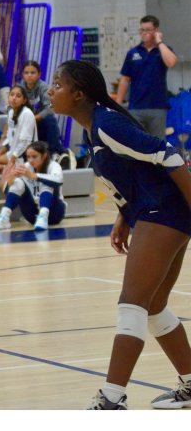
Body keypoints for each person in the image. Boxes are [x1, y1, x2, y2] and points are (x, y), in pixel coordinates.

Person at [49, 59, 191, 410]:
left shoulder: (107, 124)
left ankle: (113, 398)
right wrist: (123, 217)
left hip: (164, 211)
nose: (52, 91)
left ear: (78, 94)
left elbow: (169, 156)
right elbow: (132, 172)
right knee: (154, 306)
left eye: (58, 84)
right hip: (152, 211)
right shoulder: (92, 126)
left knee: (132, 305)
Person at [115, 15, 177, 140]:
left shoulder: (163, 50)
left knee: (158, 146)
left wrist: (159, 42)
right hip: (136, 108)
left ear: (156, 30)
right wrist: (117, 105)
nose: (144, 33)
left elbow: (171, 62)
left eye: (148, 30)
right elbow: (125, 80)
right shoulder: (133, 53)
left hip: (158, 108)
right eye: (142, 30)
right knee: (136, 145)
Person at [0, 141, 66, 231]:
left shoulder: (54, 165)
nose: (30, 160)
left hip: (54, 213)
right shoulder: (25, 167)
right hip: (32, 215)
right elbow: (8, 191)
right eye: (28, 157)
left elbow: (59, 180)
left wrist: (35, 176)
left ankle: (43, 215)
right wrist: (11, 178)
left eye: (34, 157)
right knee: (18, 182)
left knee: (46, 183)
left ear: (44, 156)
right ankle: (4, 217)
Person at [20, 60, 70, 162]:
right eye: (26, 73)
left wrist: (34, 118)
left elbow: (50, 108)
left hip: (40, 123)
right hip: (26, 124)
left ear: (39, 74)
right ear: (23, 75)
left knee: (50, 119)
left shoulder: (44, 88)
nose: (29, 75)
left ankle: (55, 153)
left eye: (33, 73)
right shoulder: (19, 89)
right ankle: (62, 152)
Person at [0, 85, 37, 175]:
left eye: (18, 96)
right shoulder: (11, 113)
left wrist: (12, 160)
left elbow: (25, 143)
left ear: (24, 100)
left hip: (26, 156)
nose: (14, 98)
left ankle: (16, 169)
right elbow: (10, 140)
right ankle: (11, 169)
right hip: (13, 154)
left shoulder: (27, 114)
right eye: (12, 95)